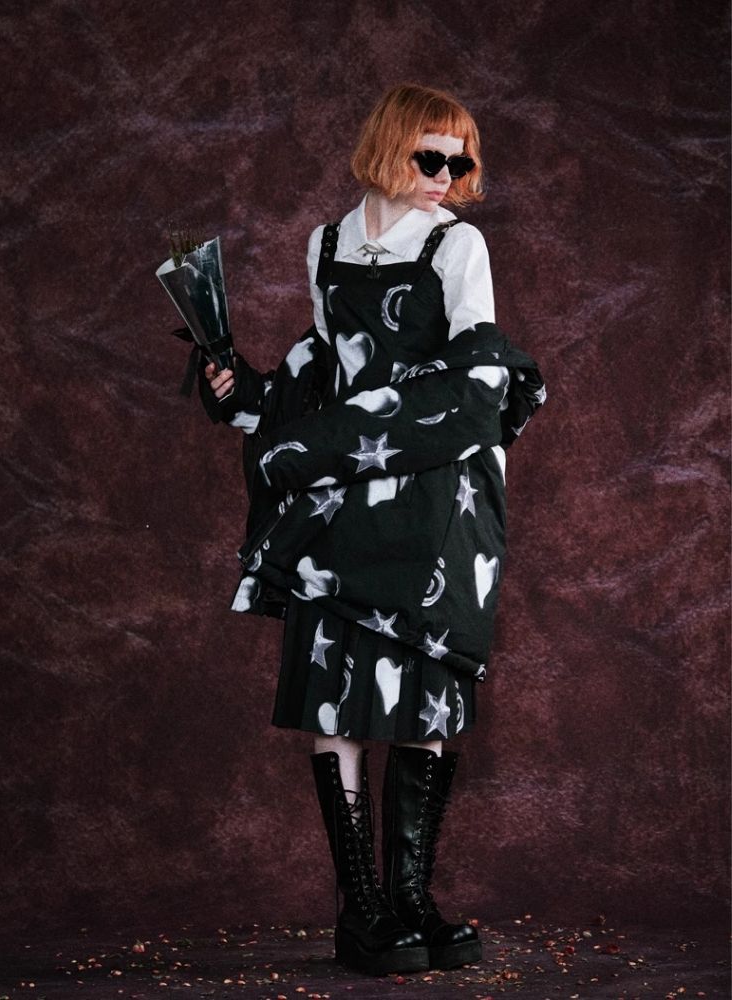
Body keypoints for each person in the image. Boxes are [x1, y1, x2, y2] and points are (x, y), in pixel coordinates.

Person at [198, 83, 545, 977]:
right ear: (389, 148)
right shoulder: (326, 244)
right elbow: (321, 375)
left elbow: (476, 385)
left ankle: (413, 900)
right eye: (430, 157)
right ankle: (363, 912)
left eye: (459, 161)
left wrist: (329, 442)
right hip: (344, 505)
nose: (445, 176)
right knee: (339, 690)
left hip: (435, 504)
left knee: (426, 693)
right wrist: (242, 390)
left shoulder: (457, 245)